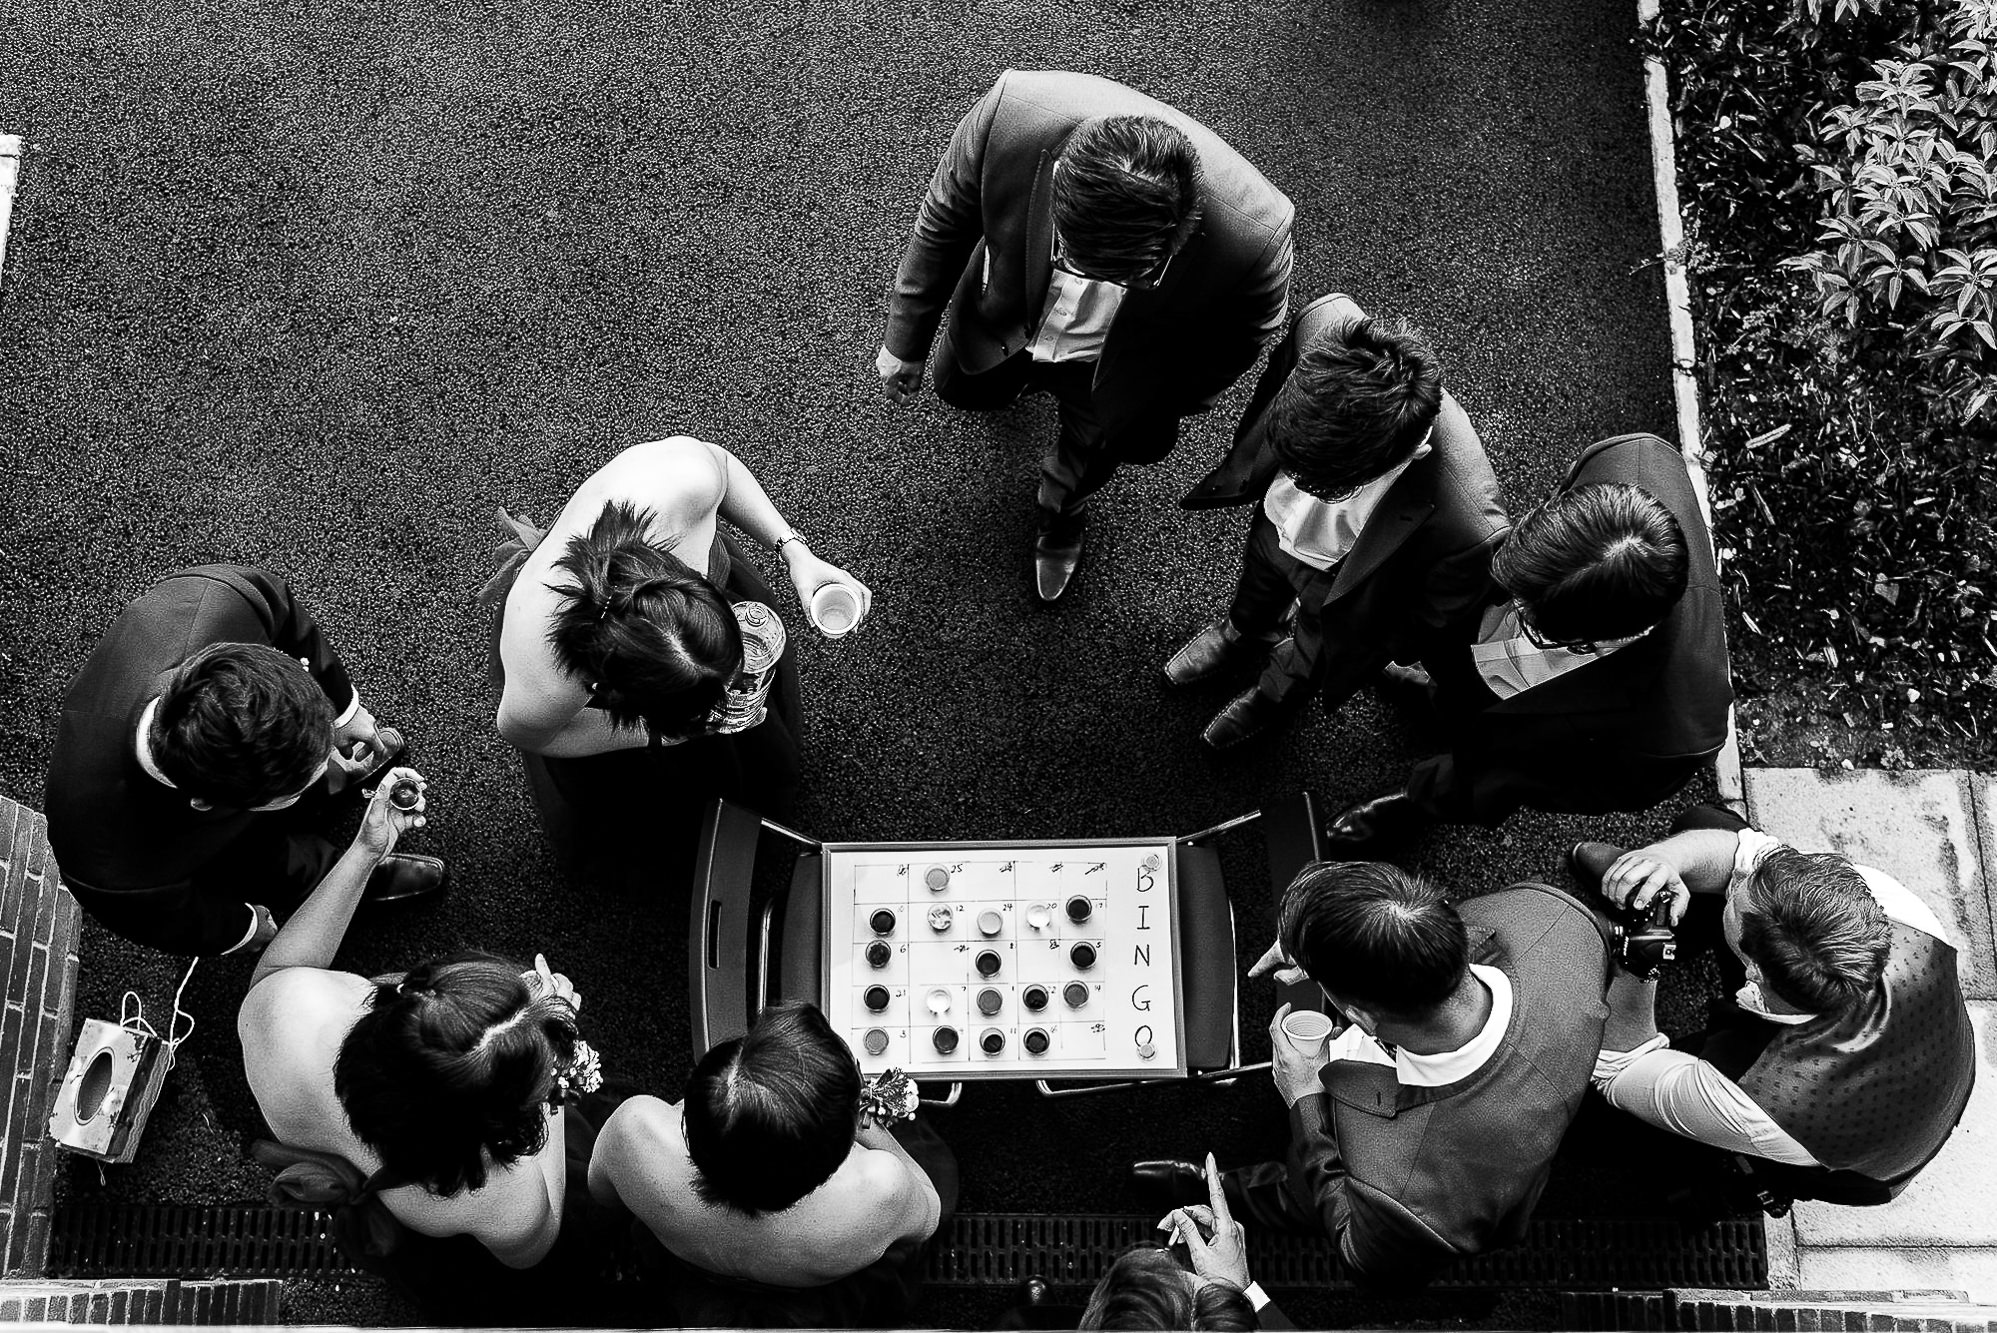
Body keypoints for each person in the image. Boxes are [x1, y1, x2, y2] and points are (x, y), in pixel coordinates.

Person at [877, 69, 1294, 602]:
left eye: (1124, 277)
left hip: (1113, 366)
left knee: (1090, 452)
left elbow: (1243, 340)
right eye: (1068, 255)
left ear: (1180, 234)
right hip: (1005, 315)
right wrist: (904, 342)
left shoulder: (1255, 236)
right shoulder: (1012, 114)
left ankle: (1062, 510)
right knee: (960, 384)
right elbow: (944, 219)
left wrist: (1161, 400)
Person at [1133, 860, 1609, 1291]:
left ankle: (1256, 1195)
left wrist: (1307, 1103)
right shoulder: (1556, 918)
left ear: (1360, 1016)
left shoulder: (1407, 1195)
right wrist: (1327, 942)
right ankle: (1226, 1187)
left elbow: (1360, 1254)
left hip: (1395, 1182)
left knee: (1306, 1193)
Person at [239, 775, 609, 1320]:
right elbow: (535, 1248)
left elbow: (279, 970)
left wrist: (366, 850)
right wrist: (559, 1077)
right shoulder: (493, 1195)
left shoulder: (287, 1019)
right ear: (500, 1119)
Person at [1319, 432, 1733, 854]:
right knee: (1458, 682)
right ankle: (1437, 698)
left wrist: (1508, 780)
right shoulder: (1630, 457)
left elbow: (1581, 790)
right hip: (1530, 646)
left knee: (1475, 777)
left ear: (1605, 637)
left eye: (1532, 626)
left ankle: (1414, 803)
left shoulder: (1677, 733)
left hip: (1534, 746)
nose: (1506, 612)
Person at [486, 438, 871, 890]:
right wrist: (661, 735)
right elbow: (530, 734)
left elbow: (723, 470)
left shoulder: (682, 485)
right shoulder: (549, 683)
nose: (737, 687)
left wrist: (794, 553)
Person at [1583, 806, 1976, 1205]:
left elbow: (1619, 1068)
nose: (1736, 882)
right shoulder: (1895, 910)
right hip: (1932, 1053)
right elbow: (1746, 853)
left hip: (1848, 1148)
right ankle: (1658, 901)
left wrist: (1644, 954)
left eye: (1736, 898)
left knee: (1602, 1118)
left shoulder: (1754, 1103)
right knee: (1711, 821)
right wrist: (1667, 860)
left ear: (1751, 972)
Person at [46, 564, 444, 957]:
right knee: (262, 862)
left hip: (229, 788)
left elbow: (281, 610)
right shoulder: (108, 863)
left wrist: (341, 714)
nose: (339, 757)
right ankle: (349, 878)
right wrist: (244, 929)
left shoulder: (219, 599)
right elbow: (171, 918)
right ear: (206, 804)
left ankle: (320, 792)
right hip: (203, 843)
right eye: (307, 777)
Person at [1168, 293, 1508, 747]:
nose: (1299, 481)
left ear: (1410, 454)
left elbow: (1433, 613)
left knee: (1312, 656)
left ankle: (1273, 697)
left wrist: (1370, 640)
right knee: (1258, 584)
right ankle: (1242, 633)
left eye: (1323, 484)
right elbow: (1273, 390)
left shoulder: (1470, 525)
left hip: (1345, 584)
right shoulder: (1323, 326)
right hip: (1275, 523)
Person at [588, 1000, 956, 1326]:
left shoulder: (633, 1131)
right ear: (830, 1157)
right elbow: (928, 1214)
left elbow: (601, 1195)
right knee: (937, 1169)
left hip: (689, 1266)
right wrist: (861, 1118)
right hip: (815, 1293)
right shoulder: (879, 1188)